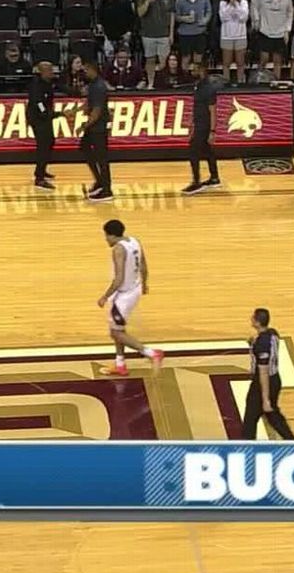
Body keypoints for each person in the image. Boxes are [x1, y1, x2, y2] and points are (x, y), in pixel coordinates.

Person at [97, 219, 166, 376]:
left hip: (123, 295)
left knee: (115, 333)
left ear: (112, 235)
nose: (106, 239)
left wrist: (104, 296)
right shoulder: (134, 241)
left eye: (106, 236)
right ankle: (120, 364)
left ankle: (151, 353)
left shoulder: (118, 250)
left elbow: (119, 278)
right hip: (134, 289)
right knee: (118, 328)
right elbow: (143, 265)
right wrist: (145, 283)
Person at [241, 307, 294, 440]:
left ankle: (246, 446)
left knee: (252, 417)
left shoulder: (262, 345)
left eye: (253, 317)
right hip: (276, 379)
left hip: (263, 383)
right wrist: (253, 342)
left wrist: (265, 399)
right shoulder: (273, 334)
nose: (251, 318)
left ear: (258, 322)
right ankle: (291, 440)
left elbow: (263, 372)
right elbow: (266, 344)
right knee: (272, 414)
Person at [69, 61, 113, 202]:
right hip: (93, 127)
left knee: (102, 159)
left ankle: (107, 190)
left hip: (99, 127)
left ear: (92, 69)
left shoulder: (99, 86)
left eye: (85, 70)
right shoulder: (93, 85)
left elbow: (97, 111)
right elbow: (89, 104)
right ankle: (99, 181)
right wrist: (74, 111)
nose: (84, 73)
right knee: (84, 148)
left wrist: (84, 126)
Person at [182, 60, 221, 195]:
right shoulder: (198, 86)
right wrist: (191, 120)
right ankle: (215, 178)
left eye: (194, 70)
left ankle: (196, 182)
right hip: (198, 123)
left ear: (201, 70)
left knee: (193, 152)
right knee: (208, 151)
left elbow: (213, 111)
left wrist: (212, 131)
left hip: (204, 126)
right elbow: (198, 106)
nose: (191, 73)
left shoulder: (209, 88)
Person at [138, 0, 175, 88]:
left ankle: (161, 82)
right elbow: (140, 13)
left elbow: (172, 15)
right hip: (148, 34)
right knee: (150, 59)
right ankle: (150, 83)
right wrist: (148, 1)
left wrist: (171, 33)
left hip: (164, 33)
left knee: (164, 61)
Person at [254, 0, 293, 80]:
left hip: (280, 32)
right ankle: (258, 79)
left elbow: (290, 14)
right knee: (264, 59)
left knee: (277, 60)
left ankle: (276, 81)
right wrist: (257, 21)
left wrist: (287, 30)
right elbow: (255, 8)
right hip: (265, 31)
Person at [28, 61, 58, 190]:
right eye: (49, 70)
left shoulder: (49, 82)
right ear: (42, 72)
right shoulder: (36, 85)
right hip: (38, 118)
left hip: (45, 118)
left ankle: (42, 170)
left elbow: (62, 87)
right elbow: (38, 103)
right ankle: (39, 178)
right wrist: (49, 114)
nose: (52, 72)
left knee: (50, 141)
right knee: (43, 145)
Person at [173, 0, 211, 68]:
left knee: (198, 59)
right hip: (185, 34)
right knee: (186, 58)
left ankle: (198, 79)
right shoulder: (180, 0)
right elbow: (176, 16)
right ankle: (185, 79)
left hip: (200, 32)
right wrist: (184, 19)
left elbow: (209, 11)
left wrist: (205, 20)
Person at [219, 0, 249, 86]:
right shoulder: (223, 3)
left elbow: (243, 17)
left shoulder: (243, 3)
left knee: (240, 62)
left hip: (240, 36)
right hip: (226, 36)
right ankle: (226, 83)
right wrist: (230, 5)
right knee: (226, 63)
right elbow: (223, 17)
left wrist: (236, 5)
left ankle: (241, 82)